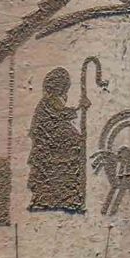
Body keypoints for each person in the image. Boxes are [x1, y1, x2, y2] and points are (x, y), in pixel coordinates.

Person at [28, 69, 86, 212]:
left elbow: (61, 118)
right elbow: (58, 117)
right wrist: (80, 108)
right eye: (63, 87)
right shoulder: (48, 103)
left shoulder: (51, 102)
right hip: (47, 154)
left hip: (53, 153)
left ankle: (65, 199)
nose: (64, 92)